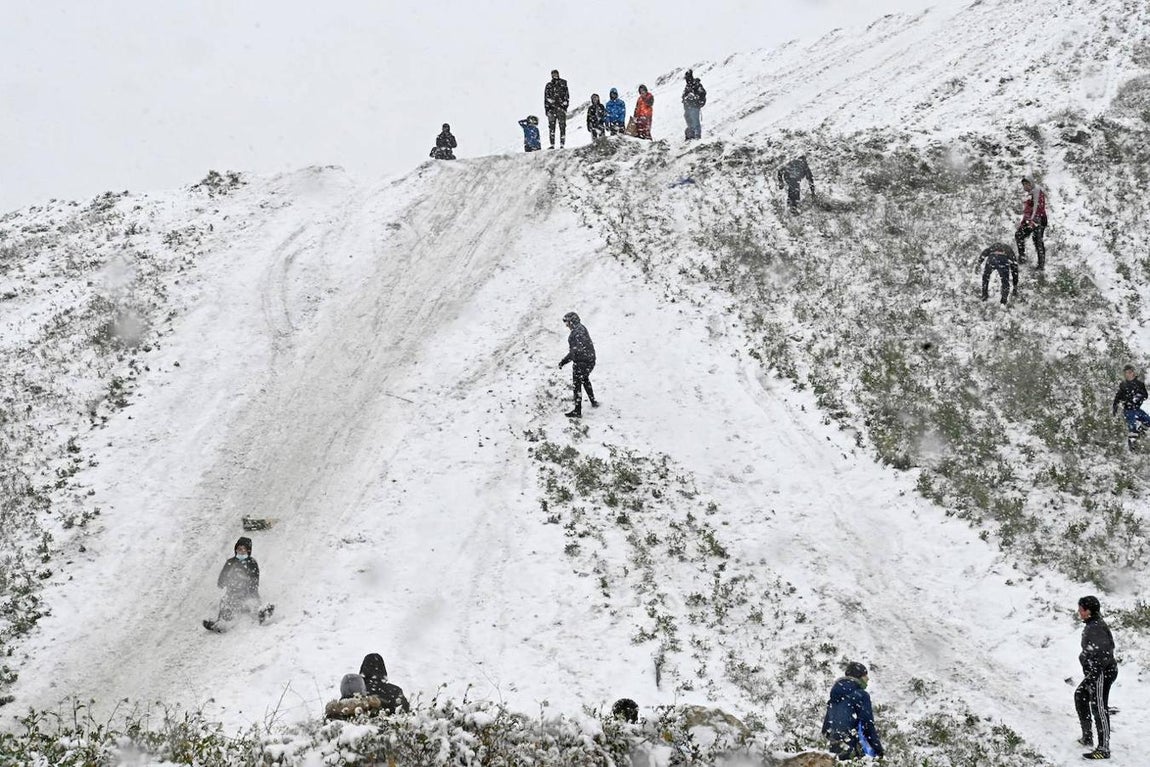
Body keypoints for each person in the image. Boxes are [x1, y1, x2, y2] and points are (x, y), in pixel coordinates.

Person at [1075, 596, 1117, 760]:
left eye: (1081, 609)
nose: (1079, 612)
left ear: (1088, 611)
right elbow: (1094, 651)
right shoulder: (1093, 625)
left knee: (1099, 707)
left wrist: (1094, 671)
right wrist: (1084, 658)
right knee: (1080, 695)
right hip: (1096, 672)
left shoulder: (1096, 628)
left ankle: (1104, 748)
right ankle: (1087, 737)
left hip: (1101, 672)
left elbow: (1103, 653)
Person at [205, 536, 273, 630]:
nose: (241, 551)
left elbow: (255, 579)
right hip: (233, 592)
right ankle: (221, 623)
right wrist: (222, 582)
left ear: (248, 551)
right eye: (239, 549)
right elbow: (222, 577)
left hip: (248, 592)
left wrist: (250, 589)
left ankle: (263, 614)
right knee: (225, 602)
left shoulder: (251, 563)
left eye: (244, 549)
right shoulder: (231, 562)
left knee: (252, 604)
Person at [822, 661, 884, 761]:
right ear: (858, 676)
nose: (867, 678)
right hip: (853, 749)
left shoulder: (835, 695)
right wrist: (879, 750)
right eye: (865, 675)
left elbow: (826, 729)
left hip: (835, 750)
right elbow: (867, 725)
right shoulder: (861, 695)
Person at [558, 311, 597, 418]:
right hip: (590, 360)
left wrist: (563, 361)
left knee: (577, 384)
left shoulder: (574, 334)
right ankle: (593, 401)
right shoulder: (582, 328)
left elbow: (574, 352)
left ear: (572, 321)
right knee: (584, 379)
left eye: (567, 323)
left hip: (581, 361)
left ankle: (577, 410)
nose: (567, 326)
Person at [1112, 364, 1150, 450]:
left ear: (1133, 373)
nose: (1128, 375)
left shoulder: (1139, 384)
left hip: (1137, 409)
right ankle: (1132, 448)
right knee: (1132, 428)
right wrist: (1115, 407)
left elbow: (1145, 395)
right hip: (1128, 410)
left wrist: (1138, 397)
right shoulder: (1123, 385)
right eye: (1126, 373)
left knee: (1148, 421)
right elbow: (1117, 397)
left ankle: (1141, 431)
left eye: (1129, 372)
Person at [1014, 177, 1048, 269]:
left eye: (1027, 184)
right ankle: (1022, 257)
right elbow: (1027, 211)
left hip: (1039, 220)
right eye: (1024, 184)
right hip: (1030, 220)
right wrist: (1023, 223)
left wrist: (1033, 222)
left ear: (1031, 184)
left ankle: (1041, 265)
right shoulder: (1029, 194)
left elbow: (1039, 208)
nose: (1025, 186)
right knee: (1019, 234)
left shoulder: (1037, 192)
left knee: (1037, 241)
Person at [544, 69, 570, 149]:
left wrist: (565, 106)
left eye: (556, 74)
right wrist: (547, 110)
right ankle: (552, 144)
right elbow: (546, 98)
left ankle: (562, 144)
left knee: (562, 127)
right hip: (551, 109)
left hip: (561, 109)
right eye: (553, 74)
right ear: (551, 75)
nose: (555, 75)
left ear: (558, 74)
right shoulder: (548, 85)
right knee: (552, 127)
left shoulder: (563, 83)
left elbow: (567, 95)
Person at [681, 70, 707, 140]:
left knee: (695, 122)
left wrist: (695, 97)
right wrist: (685, 99)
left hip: (694, 107)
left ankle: (697, 137)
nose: (686, 79)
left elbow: (702, 93)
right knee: (689, 122)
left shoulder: (696, 84)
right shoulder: (688, 86)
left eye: (687, 77)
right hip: (687, 108)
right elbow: (684, 95)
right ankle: (690, 136)